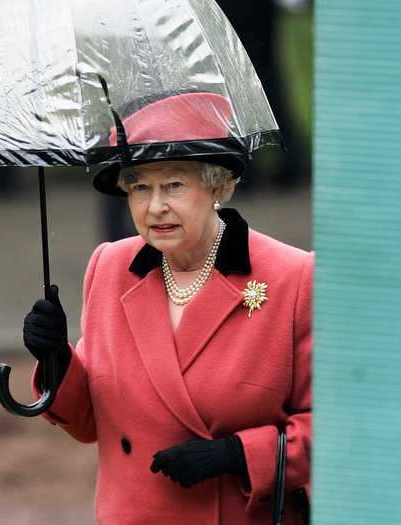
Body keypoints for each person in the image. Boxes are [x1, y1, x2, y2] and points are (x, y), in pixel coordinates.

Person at [23, 92, 312, 524]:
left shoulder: (293, 277)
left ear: (217, 184)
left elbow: (333, 431)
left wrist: (237, 454)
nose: (155, 206)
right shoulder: (110, 267)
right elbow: (88, 423)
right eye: (139, 186)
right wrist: (56, 359)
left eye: (173, 184)